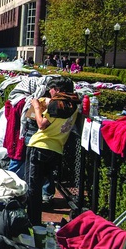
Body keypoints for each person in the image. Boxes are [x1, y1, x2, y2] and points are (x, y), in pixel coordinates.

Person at [26, 78, 79, 225]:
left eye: (52, 89)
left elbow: (41, 124)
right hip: (56, 150)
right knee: (42, 185)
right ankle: (36, 222)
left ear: (58, 90)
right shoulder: (73, 105)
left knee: (33, 188)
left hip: (39, 146)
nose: (50, 91)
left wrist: (37, 107)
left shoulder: (56, 105)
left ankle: (32, 222)